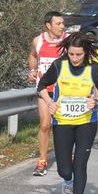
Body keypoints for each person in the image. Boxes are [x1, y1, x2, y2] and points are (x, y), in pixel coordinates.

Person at [37, 32, 98, 194]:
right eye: (71, 54)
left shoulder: (94, 69)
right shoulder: (59, 66)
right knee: (64, 169)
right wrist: (49, 102)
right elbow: (41, 86)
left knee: (80, 165)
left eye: (79, 54)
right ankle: (67, 181)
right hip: (62, 122)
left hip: (86, 122)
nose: (75, 58)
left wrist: (96, 101)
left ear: (85, 53)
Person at [28, 11, 66, 176]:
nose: (62, 26)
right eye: (58, 24)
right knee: (45, 125)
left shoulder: (67, 40)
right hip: (44, 90)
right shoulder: (38, 41)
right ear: (48, 25)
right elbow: (32, 56)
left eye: (63, 23)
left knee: (64, 126)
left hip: (64, 91)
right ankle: (42, 161)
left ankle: (65, 157)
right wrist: (32, 70)